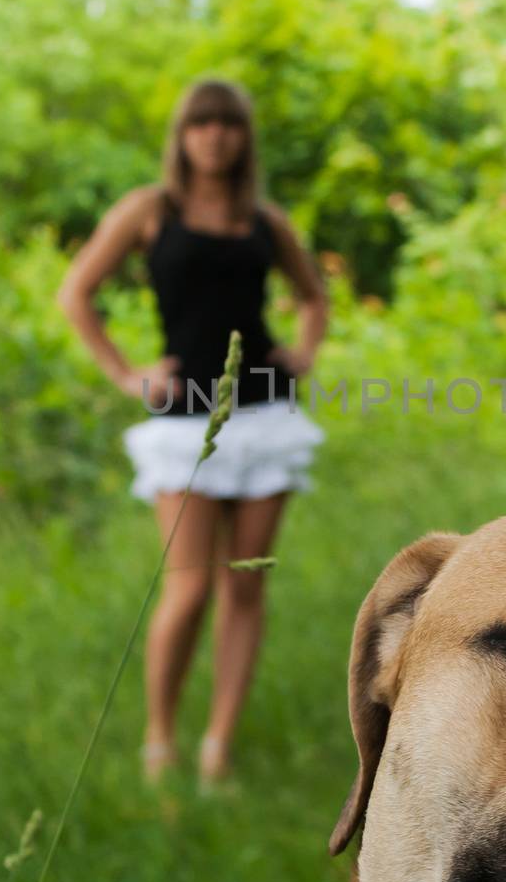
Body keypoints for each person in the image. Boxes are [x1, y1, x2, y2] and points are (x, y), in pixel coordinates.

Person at [57, 77, 328, 786]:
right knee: (188, 588)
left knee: (246, 589)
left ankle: (217, 748)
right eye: (201, 123)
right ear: (182, 135)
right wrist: (126, 375)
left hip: (266, 413)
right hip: (183, 420)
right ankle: (159, 742)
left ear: (243, 137)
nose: (214, 135)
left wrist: (304, 352)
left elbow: (312, 296)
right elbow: (75, 293)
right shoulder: (149, 211)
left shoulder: (265, 221)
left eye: (228, 124)